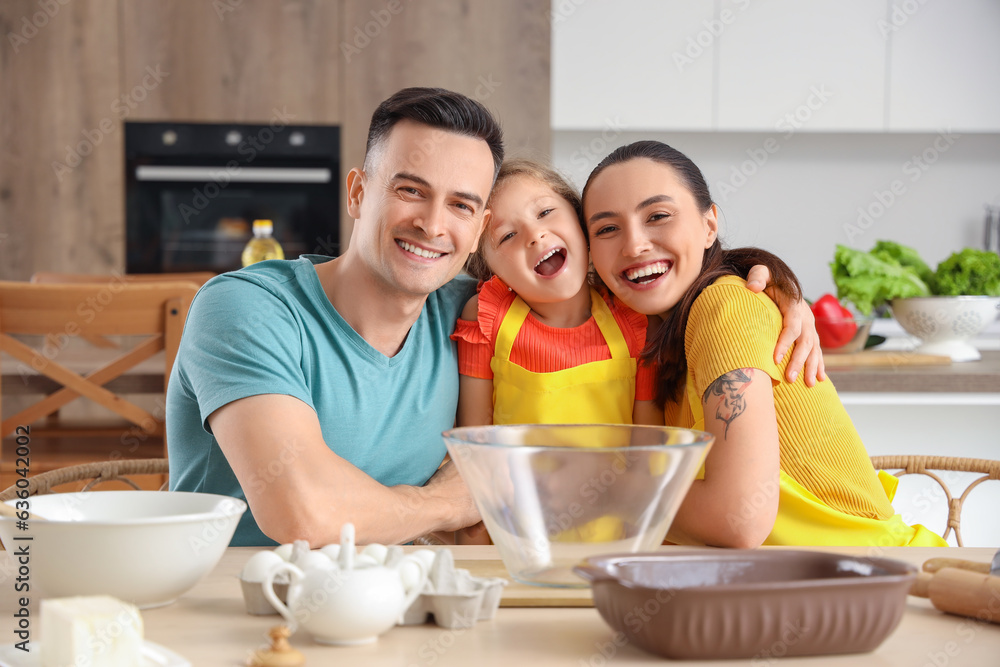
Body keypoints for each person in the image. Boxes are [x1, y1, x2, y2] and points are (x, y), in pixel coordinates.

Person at [166, 87, 821, 548]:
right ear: (359, 192)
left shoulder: (469, 316)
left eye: (461, 205)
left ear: (477, 231)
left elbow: (644, 280)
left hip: (401, 607)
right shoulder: (246, 307)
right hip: (232, 611)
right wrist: (460, 498)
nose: (431, 223)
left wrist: (761, 284)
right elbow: (303, 508)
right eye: (409, 190)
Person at [582, 140, 947, 547]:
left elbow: (736, 520)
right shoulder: (648, 333)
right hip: (785, 588)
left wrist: (602, 492)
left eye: (659, 215)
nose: (634, 245)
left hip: (881, 583)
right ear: (590, 253)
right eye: (607, 229)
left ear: (709, 226)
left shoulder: (725, 304)